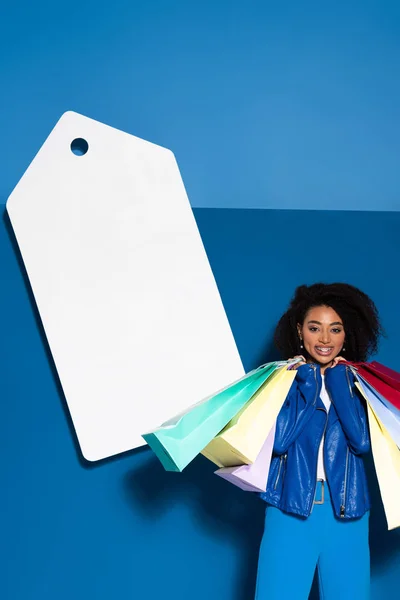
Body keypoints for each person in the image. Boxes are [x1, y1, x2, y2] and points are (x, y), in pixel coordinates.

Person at [255, 282, 383, 600]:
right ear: (300, 331)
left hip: (347, 508)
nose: (325, 339)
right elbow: (280, 442)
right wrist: (307, 383)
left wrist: (339, 382)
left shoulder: (358, 381)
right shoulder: (280, 379)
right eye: (315, 328)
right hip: (289, 506)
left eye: (335, 330)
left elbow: (361, 441)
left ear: (345, 335)